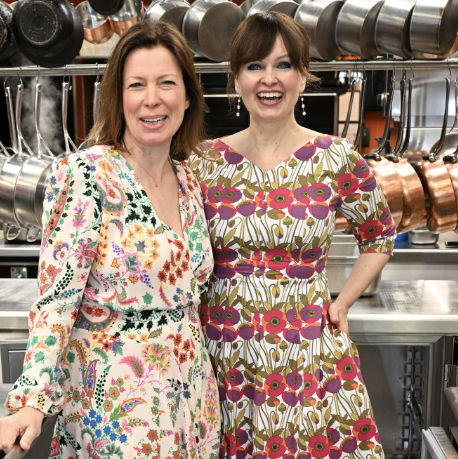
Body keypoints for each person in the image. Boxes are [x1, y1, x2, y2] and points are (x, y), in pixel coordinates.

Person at [0, 22, 221, 458]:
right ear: (118, 97)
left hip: (194, 406)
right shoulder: (85, 175)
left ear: (188, 97)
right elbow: (56, 300)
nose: (151, 99)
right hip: (118, 416)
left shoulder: (189, 181)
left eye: (166, 83)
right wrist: (30, 401)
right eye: (136, 85)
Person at [188, 12, 396, 459]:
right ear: (235, 78)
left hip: (307, 358)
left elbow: (379, 235)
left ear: (303, 77)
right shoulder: (202, 162)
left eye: (283, 65)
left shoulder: (334, 157)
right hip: (225, 358)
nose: (270, 79)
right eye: (254, 66)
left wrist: (341, 302)